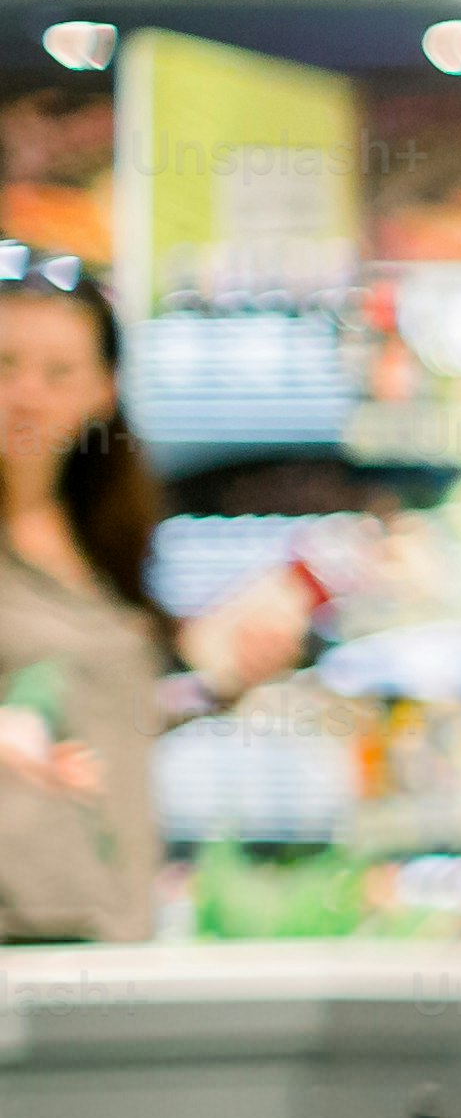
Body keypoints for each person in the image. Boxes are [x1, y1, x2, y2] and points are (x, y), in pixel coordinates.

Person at [0, 254, 311, 941]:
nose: (28, 394)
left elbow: (108, 715)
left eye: (59, 372)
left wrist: (218, 681)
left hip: (106, 915)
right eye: (6, 364)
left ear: (102, 391)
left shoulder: (102, 541)